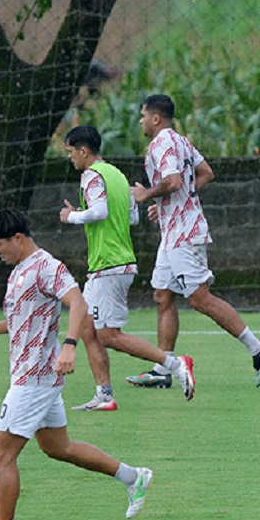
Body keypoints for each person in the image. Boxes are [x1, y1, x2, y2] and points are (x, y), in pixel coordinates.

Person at [0, 208, 158, 520]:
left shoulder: (46, 266)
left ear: (18, 238)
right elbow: (23, 317)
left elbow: (78, 303)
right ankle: (132, 476)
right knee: (57, 448)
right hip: (34, 376)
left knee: (1, 455)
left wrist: (69, 347)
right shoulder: (21, 269)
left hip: (35, 378)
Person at [127, 94, 260, 393]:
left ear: (156, 118)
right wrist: (170, 201)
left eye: (143, 116)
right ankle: (164, 368)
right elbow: (205, 173)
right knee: (162, 295)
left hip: (184, 232)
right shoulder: (181, 141)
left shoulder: (162, 143)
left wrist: (147, 195)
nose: (140, 121)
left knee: (199, 299)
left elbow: (174, 181)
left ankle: (258, 349)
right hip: (173, 231)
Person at [59, 125, 196, 407]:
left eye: (71, 152)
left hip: (109, 264)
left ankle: (174, 363)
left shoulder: (92, 176)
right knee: (87, 328)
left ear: (83, 151)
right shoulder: (117, 176)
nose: (70, 157)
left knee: (109, 335)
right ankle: (104, 395)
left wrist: (72, 216)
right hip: (114, 262)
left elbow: (99, 212)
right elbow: (132, 219)